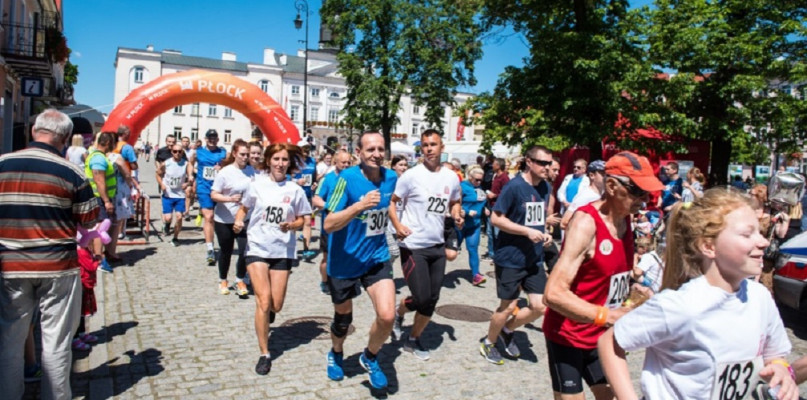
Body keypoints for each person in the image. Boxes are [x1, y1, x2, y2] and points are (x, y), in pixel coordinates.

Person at [598, 188, 799, 400]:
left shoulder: (760, 297)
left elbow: (775, 354)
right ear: (709, 246)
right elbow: (610, 342)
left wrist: (781, 368)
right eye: (747, 234)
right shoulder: (681, 305)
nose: (764, 242)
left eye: (759, 232)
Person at [542, 151, 664, 400]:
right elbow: (553, 294)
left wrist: (635, 294)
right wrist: (608, 316)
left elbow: (612, 278)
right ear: (611, 185)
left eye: (648, 193)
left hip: (602, 336)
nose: (644, 200)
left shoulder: (626, 222)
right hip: (569, 335)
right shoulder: (586, 223)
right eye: (638, 191)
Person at [0, 109, 100, 400]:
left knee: (9, 340)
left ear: (34, 131)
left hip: (10, 265)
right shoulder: (71, 171)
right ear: (66, 138)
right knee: (56, 342)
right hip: (57, 266)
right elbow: (89, 221)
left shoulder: (3, 164)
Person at [322, 131, 397, 390]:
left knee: (387, 316)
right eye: (370, 149)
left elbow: (388, 205)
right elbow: (329, 223)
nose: (376, 154)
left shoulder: (391, 178)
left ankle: (370, 356)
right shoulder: (346, 179)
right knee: (343, 320)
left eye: (380, 149)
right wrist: (358, 207)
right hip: (344, 261)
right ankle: (336, 353)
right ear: (359, 153)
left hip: (376, 257)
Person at [234, 143, 311, 375]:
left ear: (290, 163)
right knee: (263, 300)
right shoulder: (256, 185)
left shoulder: (295, 189)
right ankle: (264, 353)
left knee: (276, 304)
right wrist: (238, 221)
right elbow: (244, 209)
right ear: (268, 161)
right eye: (276, 159)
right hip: (257, 247)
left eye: (284, 160)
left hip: (282, 250)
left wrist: (292, 225)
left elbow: (302, 220)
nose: (280, 164)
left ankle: (269, 314)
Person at [388, 129, 463, 361]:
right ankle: (400, 312)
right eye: (425, 145)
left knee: (432, 298)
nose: (429, 149)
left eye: (433, 144)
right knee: (421, 298)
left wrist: (457, 213)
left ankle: (413, 338)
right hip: (413, 245)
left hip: (437, 245)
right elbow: (392, 203)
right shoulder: (411, 175)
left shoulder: (451, 177)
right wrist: (398, 226)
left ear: (442, 148)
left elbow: (455, 200)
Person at [479, 145, 554, 365]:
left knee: (541, 306)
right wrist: (527, 231)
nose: (547, 168)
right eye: (542, 163)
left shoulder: (545, 188)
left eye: (549, 163)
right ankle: (489, 341)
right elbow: (496, 219)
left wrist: (545, 233)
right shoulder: (514, 187)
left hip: (534, 257)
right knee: (508, 306)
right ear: (529, 162)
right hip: (510, 257)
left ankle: (507, 330)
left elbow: (537, 219)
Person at [211, 140, 255, 296]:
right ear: (235, 153)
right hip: (224, 218)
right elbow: (214, 194)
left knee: (245, 250)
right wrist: (229, 199)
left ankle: (239, 279)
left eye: (247, 155)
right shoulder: (225, 172)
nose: (245, 157)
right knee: (226, 251)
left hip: (244, 218)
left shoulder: (252, 171)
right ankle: (223, 279)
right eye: (242, 154)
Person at [313, 150, 352, 295]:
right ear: (335, 162)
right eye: (343, 162)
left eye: (349, 162)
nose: (346, 165)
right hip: (329, 226)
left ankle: (344, 280)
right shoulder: (328, 179)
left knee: (346, 255)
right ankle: (325, 281)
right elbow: (316, 199)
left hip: (348, 226)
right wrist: (329, 206)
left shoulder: (354, 178)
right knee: (327, 257)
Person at [190, 130, 227, 265]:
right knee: (209, 217)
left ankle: (224, 244)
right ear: (206, 139)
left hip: (220, 189)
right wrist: (190, 175)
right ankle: (210, 248)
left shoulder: (223, 152)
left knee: (221, 219)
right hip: (204, 188)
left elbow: (229, 163)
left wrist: (222, 167)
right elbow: (190, 163)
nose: (212, 140)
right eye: (209, 138)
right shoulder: (198, 151)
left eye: (214, 138)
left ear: (217, 139)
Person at [85, 132, 118, 273]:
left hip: (99, 197)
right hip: (99, 198)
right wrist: (106, 201)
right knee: (100, 229)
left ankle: (96, 256)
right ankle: (99, 259)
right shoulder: (98, 158)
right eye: (114, 143)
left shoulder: (96, 155)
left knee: (98, 228)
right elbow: (99, 180)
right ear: (108, 143)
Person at [157, 142, 194, 246]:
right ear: (171, 152)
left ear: (182, 152)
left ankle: (175, 238)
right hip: (168, 194)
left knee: (179, 217)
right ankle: (167, 225)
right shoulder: (166, 163)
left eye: (179, 151)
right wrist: (161, 184)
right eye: (175, 151)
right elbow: (158, 174)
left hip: (179, 195)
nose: (177, 153)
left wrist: (188, 182)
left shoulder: (186, 164)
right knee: (168, 218)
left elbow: (191, 177)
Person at [458, 165, 488, 286]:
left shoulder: (480, 188)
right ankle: (434, 272)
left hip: (474, 225)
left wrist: (485, 208)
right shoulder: (462, 187)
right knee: (451, 252)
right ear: (470, 177)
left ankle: (476, 275)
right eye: (477, 179)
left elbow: (480, 201)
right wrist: (465, 211)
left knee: (473, 249)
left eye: (481, 180)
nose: (479, 182)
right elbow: (454, 204)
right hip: (461, 224)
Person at [560, 160, 606, 230]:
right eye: (602, 174)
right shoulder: (585, 196)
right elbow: (564, 223)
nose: (606, 177)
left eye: (607, 174)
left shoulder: (604, 194)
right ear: (592, 175)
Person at [293, 141, 318, 260]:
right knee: (293, 223)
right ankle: (291, 249)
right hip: (295, 195)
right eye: (304, 148)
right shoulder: (293, 160)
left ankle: (306, 250)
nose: (306, 150)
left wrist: (315, 184)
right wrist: (295, 182)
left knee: (308, 222)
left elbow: (315, 176)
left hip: (308, 195)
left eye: (308, 148)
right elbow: (286, 176)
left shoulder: (312, 161)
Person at [484, 158, 510, 260]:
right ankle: (492, 253)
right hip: (491, 206)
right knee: (490, 232)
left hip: (499, 208)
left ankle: (500, 253)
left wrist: (494, 195)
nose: (492, 166)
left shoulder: (504, 178)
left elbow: (507, 193)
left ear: (499, 166)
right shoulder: (495, 177)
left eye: (494, 164)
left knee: (497, 233)